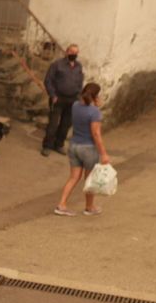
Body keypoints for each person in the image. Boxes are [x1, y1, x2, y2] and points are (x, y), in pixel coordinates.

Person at [56, 82, 113, 217]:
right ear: (96, 96)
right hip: (88, 149)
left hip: (74, 146)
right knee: (90, 180)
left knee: (74, 177)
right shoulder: (94, 112)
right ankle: (89, 207)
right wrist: (103, 153)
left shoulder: (75, 106)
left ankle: (61, 204)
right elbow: (96, 134)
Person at [41, 45, 84, 156]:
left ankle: (58, 144)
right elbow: (48, 81)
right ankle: (47, 146)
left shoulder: (79, 66)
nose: (73, 54)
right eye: (71, 51)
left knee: (66, 124)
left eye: (76, 52)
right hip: (58, 98)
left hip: (72, 100)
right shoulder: (57, 65)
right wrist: (52, 95)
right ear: (67, 52)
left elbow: (80, 81)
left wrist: (79, 95)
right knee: (53, 124)